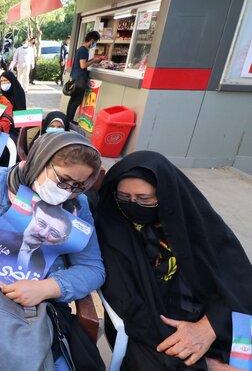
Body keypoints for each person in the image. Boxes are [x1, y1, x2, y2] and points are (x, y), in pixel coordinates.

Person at [0, 132, 105, 370]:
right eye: (62, 180)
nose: (68, 191)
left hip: (38, 309)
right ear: (40, 161)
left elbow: (93, 268)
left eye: (78, 186)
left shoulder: (77, 208)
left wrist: (45, 288)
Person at [95, 151, 252, 371]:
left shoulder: (193, 221)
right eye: (124, 197)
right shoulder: (113, 229)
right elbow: (129, 304)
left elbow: (239, 281)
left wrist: (209, 327)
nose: (133, 204)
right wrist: (207, 364)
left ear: (166, 195)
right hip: (150, 326)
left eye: (144, 199)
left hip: (209, 317)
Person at [17, 201, 73, 271]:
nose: (42, 234)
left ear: (62, 240)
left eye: (54, 233)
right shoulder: (1, 238)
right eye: (41, 224)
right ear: (31, 215)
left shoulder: (42, 262)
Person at [67, 31, 100, 122]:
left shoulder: (80, 49)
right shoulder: (84, 50)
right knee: (77, 100)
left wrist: (92, 60)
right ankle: (69, 120)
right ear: (92, 40)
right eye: (95, 42)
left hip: (75, 78)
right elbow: (83, 65)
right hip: (80, 80)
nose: (95, 44)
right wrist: (94, 61)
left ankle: (68, 119)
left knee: (73, 100)